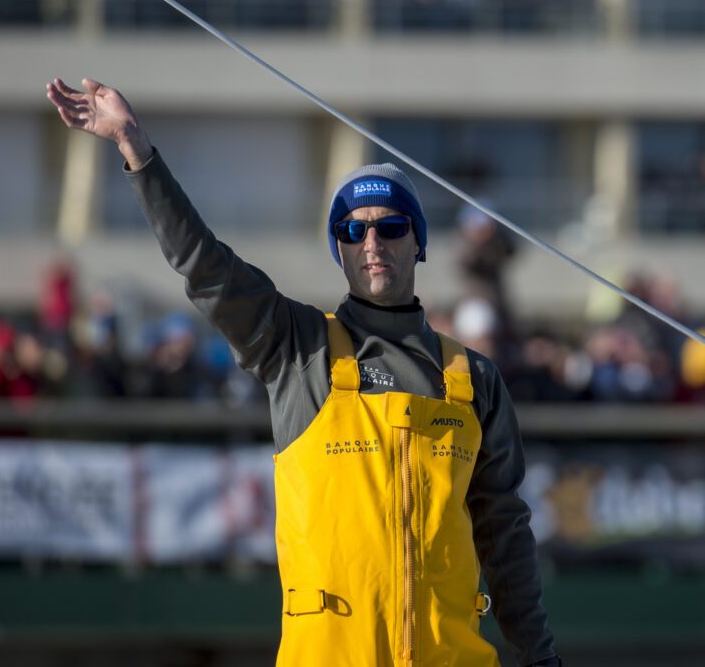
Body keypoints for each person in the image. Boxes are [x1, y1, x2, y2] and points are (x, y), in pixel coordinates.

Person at [45, 77, 560, 667]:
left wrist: (540, 658)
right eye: (353, 229)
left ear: (418, 241)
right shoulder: (295, 348)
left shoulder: (475, 379)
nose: (372, 242)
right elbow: (204, 267)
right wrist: (136, 150)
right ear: (337, 246)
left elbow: (506, 538)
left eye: (391, 227)